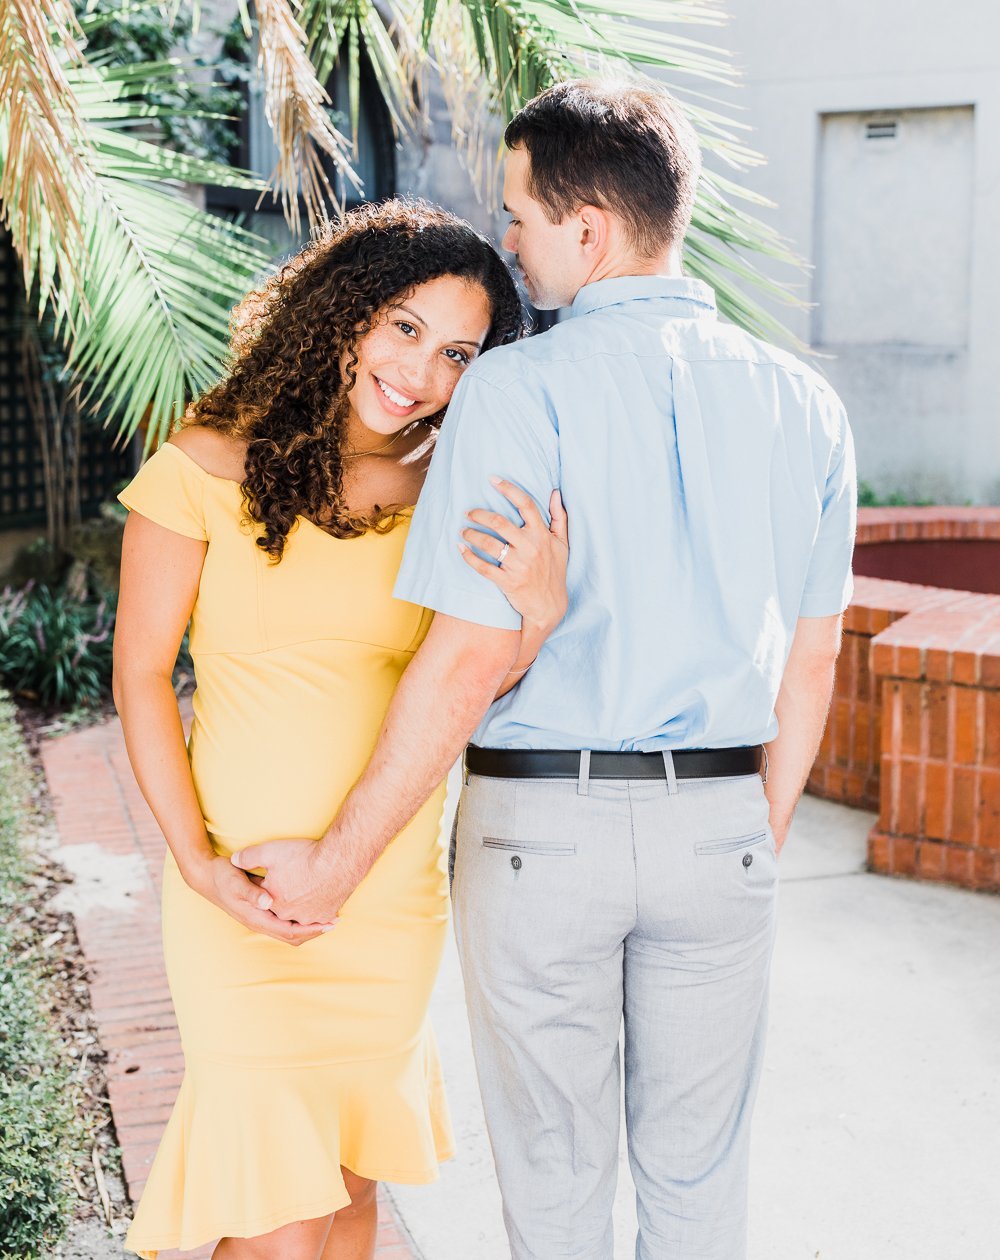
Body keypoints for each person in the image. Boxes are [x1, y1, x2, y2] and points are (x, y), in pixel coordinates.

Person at [239, 80, 857, 1260]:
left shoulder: (516, 391)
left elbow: (468, 659)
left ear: (590, 230)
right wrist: (745, 833)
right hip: (720, 822)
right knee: (699, 1188)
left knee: (556, 1192)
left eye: (519, 215)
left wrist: (332, 867)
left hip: (540, 835)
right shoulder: (805, 406)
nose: (509, 242)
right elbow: (814, 655)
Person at [111, 198, 570, 1260]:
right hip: (242, 893)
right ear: (343, 312)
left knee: (353, 1197)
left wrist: (535, 622)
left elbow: (461, 693)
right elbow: (138, 677)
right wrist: (194, 863)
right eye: (403, 326)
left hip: (383, 894)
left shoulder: (454, 493)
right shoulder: (204, 460)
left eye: (457, 352)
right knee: (279, 1218)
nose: (419, 370)